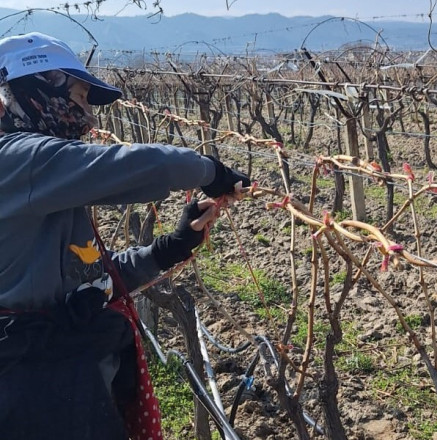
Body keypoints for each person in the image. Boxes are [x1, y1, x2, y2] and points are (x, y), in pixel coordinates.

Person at [0, 32, 250, 439]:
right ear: (35, 90)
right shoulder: (16, 160)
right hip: (32, 398)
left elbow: (90, 277)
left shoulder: (44, 186)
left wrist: (170, 247)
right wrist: (211, 171)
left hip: (60, 385)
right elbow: (147, 167)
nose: (89, 118)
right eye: (80, 98)